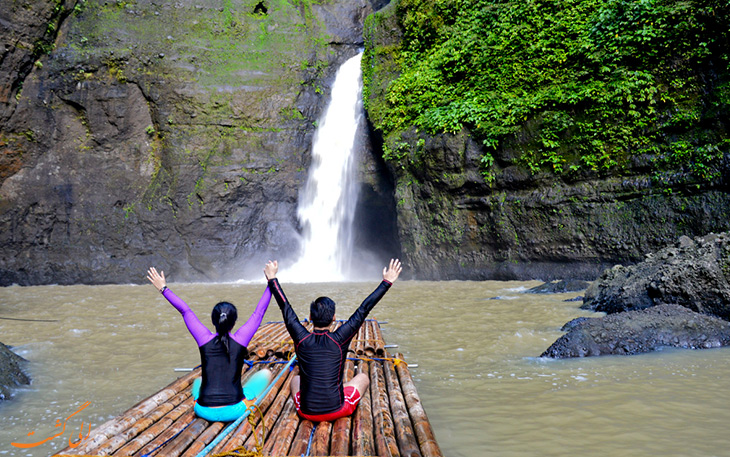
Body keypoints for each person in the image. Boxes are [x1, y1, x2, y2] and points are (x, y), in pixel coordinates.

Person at [263, 258, 402, 422]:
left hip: (306, 411)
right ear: (334, 318)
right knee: (363, 378)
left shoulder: (301, 337)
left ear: (310, 317)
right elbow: (364, 308)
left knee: (296, 379)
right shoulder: (340, 338)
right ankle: (337, 390)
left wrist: (272, 278)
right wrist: (387, 282)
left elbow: (285, 307)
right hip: (337, 408)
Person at [146, 266, 273, 422]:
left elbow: (185, 311)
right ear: (234, 322)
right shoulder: (241, 339)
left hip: (203, 410)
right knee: (266, 373)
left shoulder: (203, 338)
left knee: (198, 381)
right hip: (234, 410)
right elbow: (259, 312)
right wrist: (271, 280)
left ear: (213, 321)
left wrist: (163, 288)